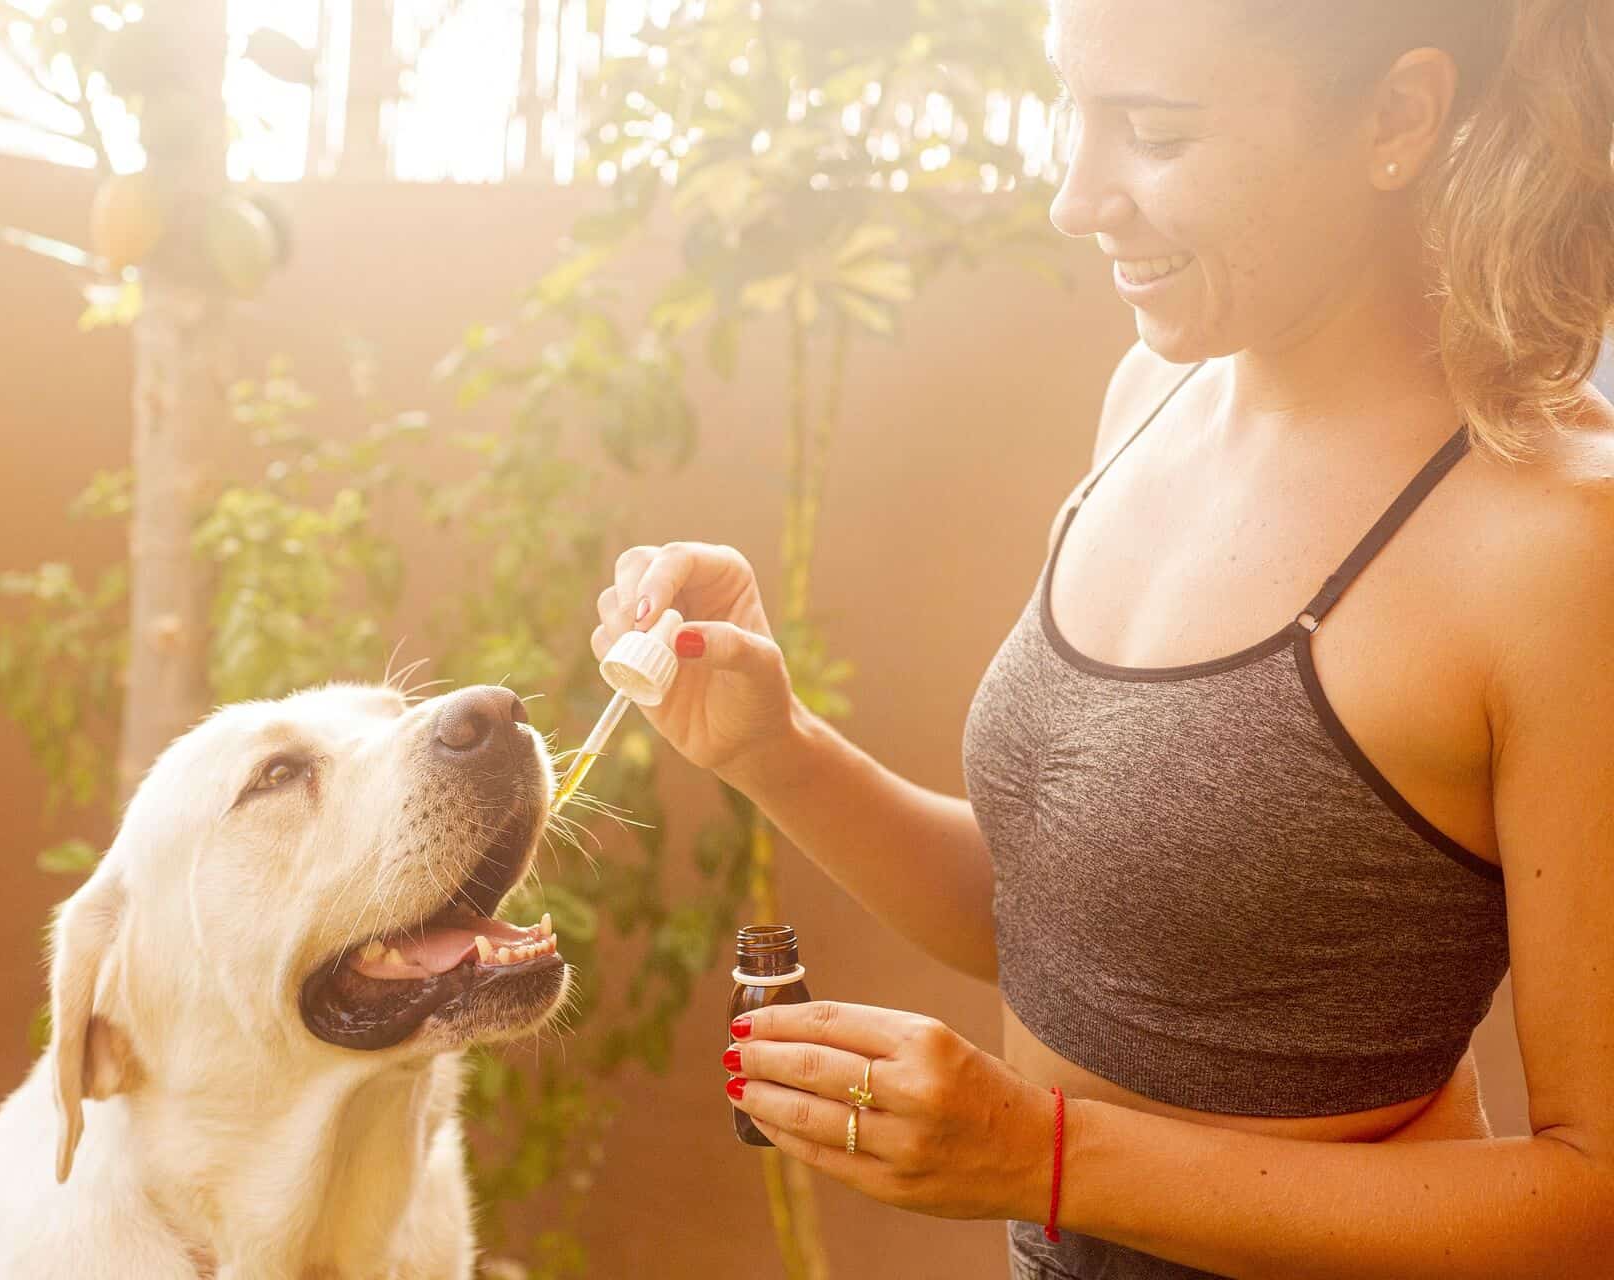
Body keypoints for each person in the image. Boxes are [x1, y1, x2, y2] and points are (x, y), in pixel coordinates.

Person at [589, 2, 1614, 1276]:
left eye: (1157, 133)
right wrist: (776, 747)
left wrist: (1048, 1157)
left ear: (1398, 117)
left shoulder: (1558, 542)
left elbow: (1595, 1200)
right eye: (1074, 110)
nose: (1077, 198)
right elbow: (1078, 928)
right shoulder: (1155, 394)